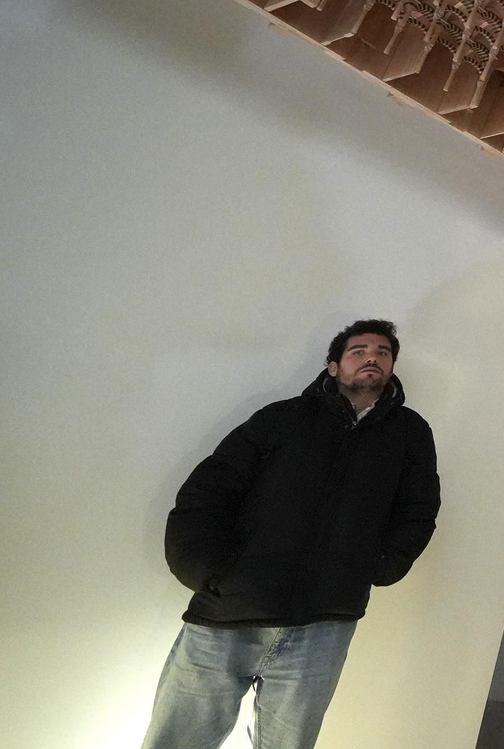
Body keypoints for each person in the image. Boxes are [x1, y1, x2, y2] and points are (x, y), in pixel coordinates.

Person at [144, 319, 441, 749]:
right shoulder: (281, 419)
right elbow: (210, 488)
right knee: (176, 740)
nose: (372, 357)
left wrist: (379, 566)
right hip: (229, 612)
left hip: (325, 623)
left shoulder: (411, 433)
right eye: (359, 350)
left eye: (383, 351)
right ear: (334, 365)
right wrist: (205, 569)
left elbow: (418, 509)